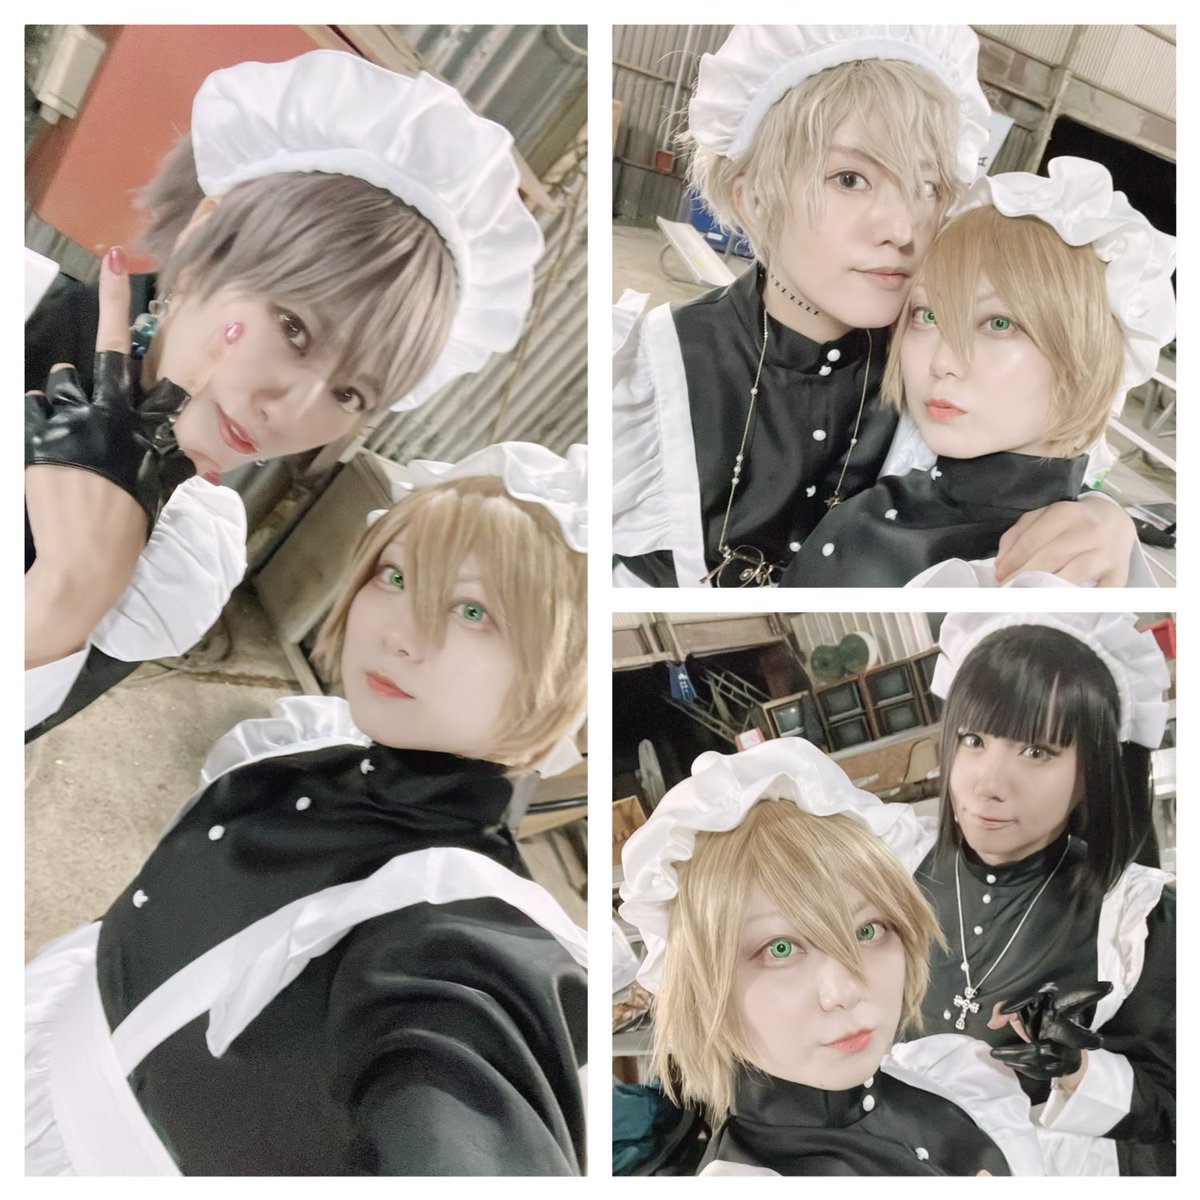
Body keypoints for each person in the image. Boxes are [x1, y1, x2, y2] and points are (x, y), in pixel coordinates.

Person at [25, 442, 589, 1176]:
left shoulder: (455, 930)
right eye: (395, 576)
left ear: (561, 669)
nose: (400, 634)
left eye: (474, 611)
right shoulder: (310, 750)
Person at [25, 49, 543, 736]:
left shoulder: (182, 560)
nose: (293, 412)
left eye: (352, 394)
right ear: (208, 233)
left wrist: (69, 591)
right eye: (294, 328)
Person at [611, 25, 1141, 588]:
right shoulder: (655, 363)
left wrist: (1101, 518)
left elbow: (1048, 459)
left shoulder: (943, 360)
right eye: (850, 179)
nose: (902, 228)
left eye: (929, 188)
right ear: (755, 197)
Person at [618, 740, 1046, 1176]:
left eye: (867, 930)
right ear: (701, 984)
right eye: (780, 948)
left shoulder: (950, 1076)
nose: (843, 992)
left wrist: (1076, 1076)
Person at [780, 158, 1175, 586]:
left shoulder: (1041, 573)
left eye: (999, 324)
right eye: (927, 315)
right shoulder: (860, 403)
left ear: (1091, 352)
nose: (942, 362)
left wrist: (1108, 518)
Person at [913, 612, 1175, 1175]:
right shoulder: (895, 871)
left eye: (1036, 752)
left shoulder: (1136, 919)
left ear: (1093, 771)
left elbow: (1173, 1111)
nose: (988, 783)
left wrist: (1078, 1070)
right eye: (973, 740)